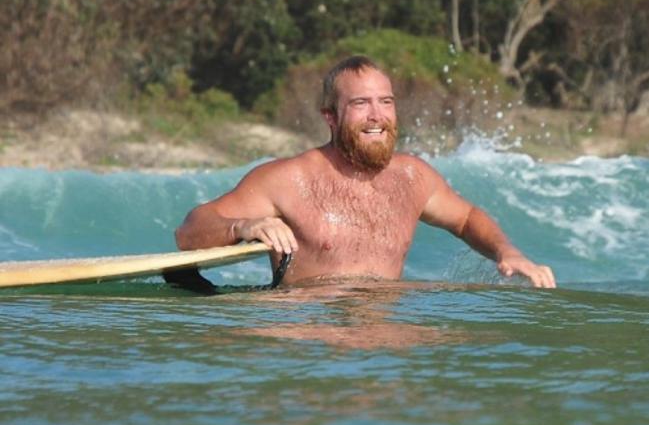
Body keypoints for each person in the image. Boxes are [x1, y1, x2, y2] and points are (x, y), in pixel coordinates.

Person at [175, 56, 556, 288]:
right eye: (360, 103)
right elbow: (190, 231)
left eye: (385, 102)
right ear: (330, 116)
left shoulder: (412, 178)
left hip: (386, 339)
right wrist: (243, 228)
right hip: (309, 338)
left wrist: (508, 252)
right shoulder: (288, 179)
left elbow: (467, 218)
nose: (377, 115)